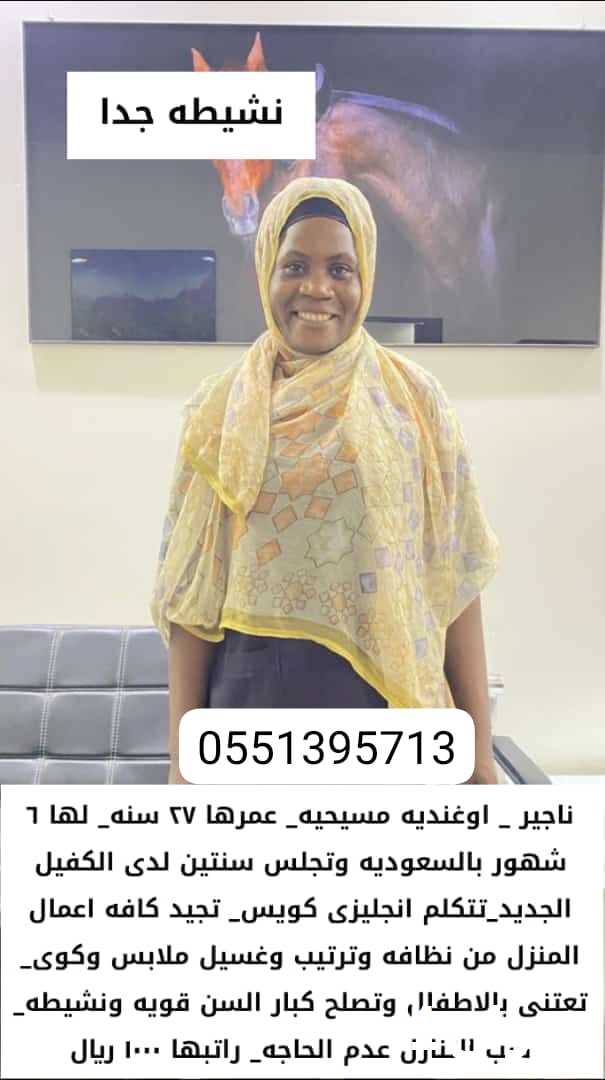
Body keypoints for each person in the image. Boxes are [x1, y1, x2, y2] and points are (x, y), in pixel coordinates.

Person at [150, 176, 500, 785]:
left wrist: (479, 757)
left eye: (340, 268)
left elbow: (455, 578)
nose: (317, 288)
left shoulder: (414, 400)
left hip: (388, 721)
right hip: (249, 720)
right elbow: (191, 602)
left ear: (365, 278)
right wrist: (182, 765)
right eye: (295, 266)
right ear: (266, 272)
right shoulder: (220, 411)